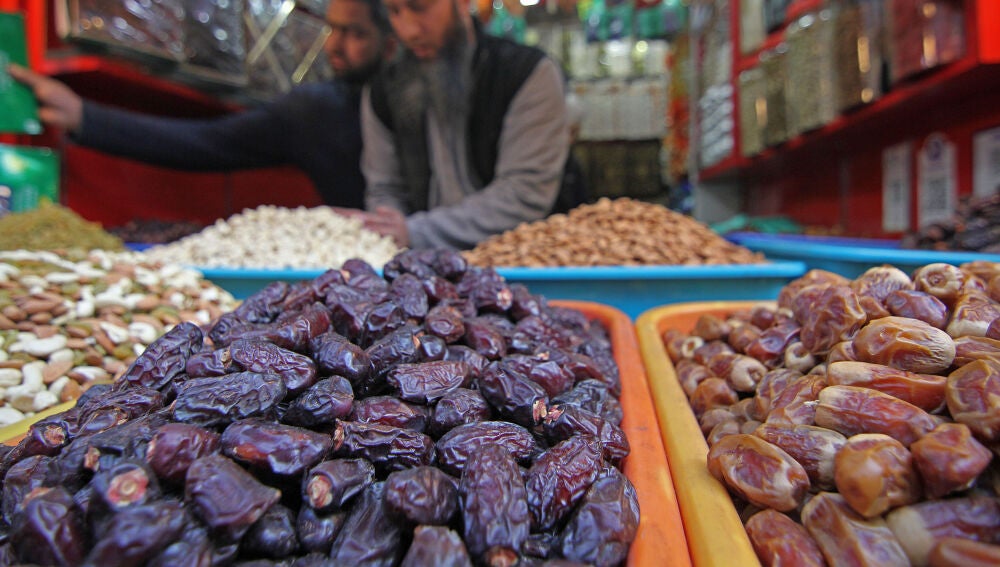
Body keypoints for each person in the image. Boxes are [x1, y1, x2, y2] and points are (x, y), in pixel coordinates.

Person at [8, 0, 395, 209]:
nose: (333, 46)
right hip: (364, 283)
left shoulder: (423, 102)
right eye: (332, 29)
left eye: (356, 33)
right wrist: (84, 117)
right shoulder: (315, 112)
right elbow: (205, 143)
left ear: (395, 39)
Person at [354, 0, 570, 249]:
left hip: (529, 261)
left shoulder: (528, 74)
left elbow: (524, 194)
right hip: (421, 273)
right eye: (394, 11)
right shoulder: (382, 92)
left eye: (419, 8)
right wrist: (389, 230)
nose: (408, 30)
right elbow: (384, 189)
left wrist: (414, 232)